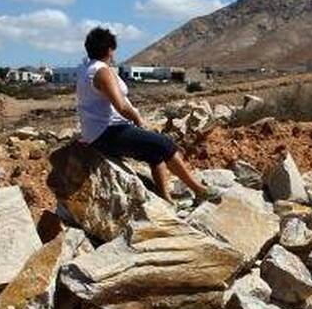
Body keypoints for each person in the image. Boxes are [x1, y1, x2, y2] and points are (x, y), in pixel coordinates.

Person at [76, 26, 218, 203]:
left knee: (154, 154)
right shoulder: (101, 71)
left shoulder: (85, 68)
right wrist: (137, 119)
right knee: (166, 145)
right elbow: (120, 106)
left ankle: (166, 199)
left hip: (98, 132)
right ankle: (199, 189)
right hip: (109, 131)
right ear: (109, 49)